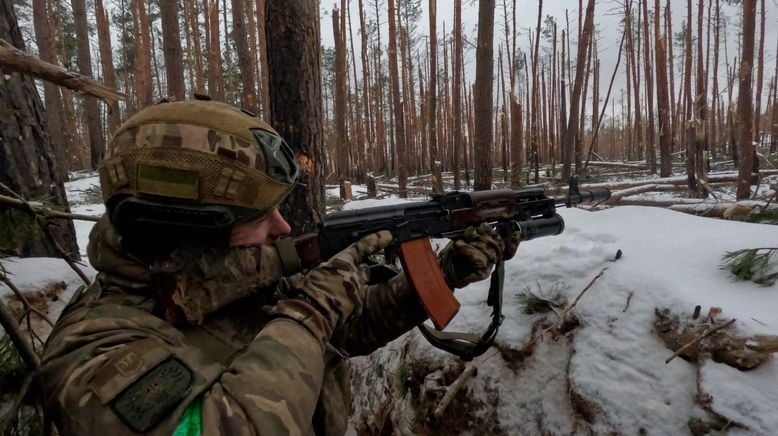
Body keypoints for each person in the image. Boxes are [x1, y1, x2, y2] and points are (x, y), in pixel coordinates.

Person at [39, 98, 517, 435]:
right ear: (187, 228)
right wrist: (308, 313)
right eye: (257, 217)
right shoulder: (95, 350)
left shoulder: (229, 276)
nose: (283, 228)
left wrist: (444, 273)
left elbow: (345, 332)